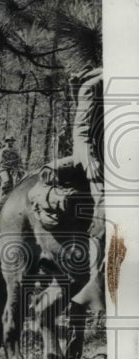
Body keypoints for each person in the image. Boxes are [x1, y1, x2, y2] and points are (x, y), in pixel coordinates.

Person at [70, 66, 104, 310]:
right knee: (109, 211)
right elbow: (80, 133)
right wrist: (89, 159)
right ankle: (98, 285)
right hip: (99, 162)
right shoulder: (93, 86)